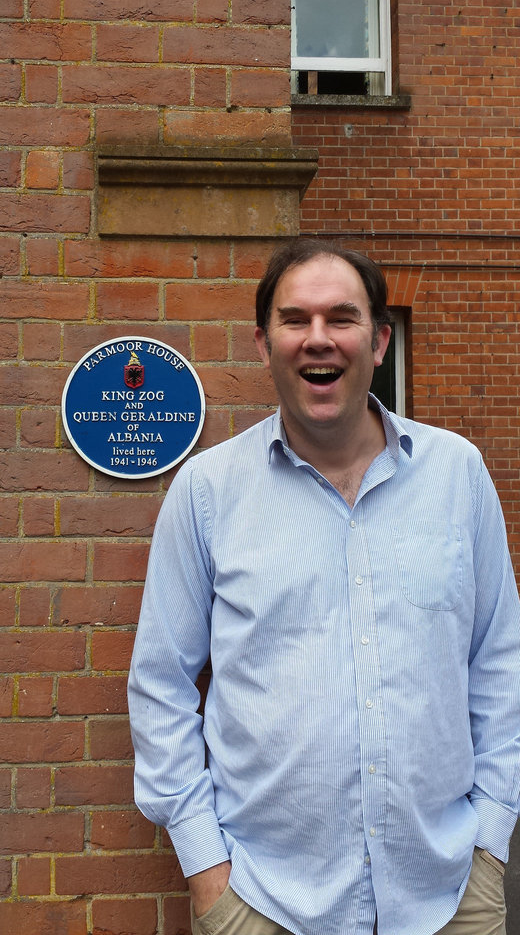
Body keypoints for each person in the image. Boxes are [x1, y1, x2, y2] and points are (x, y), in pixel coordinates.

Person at [127, 238, 520, 935]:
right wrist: (207, 870)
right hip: (264, 900)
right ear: (262, 341)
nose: (319, 340)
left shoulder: (457, 475)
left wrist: (491, 836)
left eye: (342, 318)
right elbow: (160, 684)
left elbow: (500, 662)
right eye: (295, 319)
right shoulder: (209, 493)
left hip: (451, 895)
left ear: (379, 341)